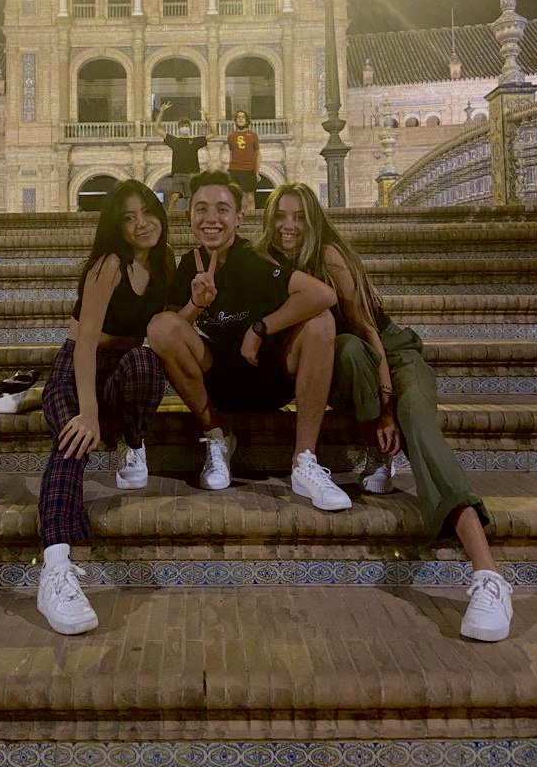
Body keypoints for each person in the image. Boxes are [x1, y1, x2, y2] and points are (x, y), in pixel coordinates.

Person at [256, 182, 513, 643]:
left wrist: (389, 410)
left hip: (393, 355)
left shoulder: (329, 256)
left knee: (419, 424)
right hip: (352, 359)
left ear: (313, 221)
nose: (289, 226)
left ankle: (488, 574)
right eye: (280, 216)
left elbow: (372, 333)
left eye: (298, 216)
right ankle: (376, 449)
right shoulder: (266, 264)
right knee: (345, 349)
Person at [147, 170, 351, 510]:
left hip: (270, 373)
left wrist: (260, 329)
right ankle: (216, 434)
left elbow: (322, 294)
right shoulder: (188, 264)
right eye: (201, 209)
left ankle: (305, 460)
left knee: (321, 323)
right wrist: (196, 305)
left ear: (239, 217)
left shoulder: (254, 258)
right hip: (218, 381)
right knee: (160, 325)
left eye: (222, 209)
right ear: (188, 216)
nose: (211, 219)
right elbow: (168, 335)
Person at [36, 180, 172, 635]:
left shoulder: (165, 261)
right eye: (127, 217)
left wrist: (198, 305)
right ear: (116, 226)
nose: (140, 223)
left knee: (147, 361)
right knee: (71, 441)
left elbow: (162, 327)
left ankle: (133, 441)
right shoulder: (109, 263)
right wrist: (88, 412)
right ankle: (55, 565)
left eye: (146, 211)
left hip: (124, 373)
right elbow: (86, 342)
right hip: (77, 368)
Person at [154, 101, 216, 211]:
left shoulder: (194, 141)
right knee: (174, 199)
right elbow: (157, 129)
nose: (185, 127)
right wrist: (162, 112)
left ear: (189, 128)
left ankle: (190, 224)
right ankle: (170, 221)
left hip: (192, 175)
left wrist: (208, 120)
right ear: (179, 128)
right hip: (178, 175)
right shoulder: (175, 141)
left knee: (190, 202)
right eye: (183, 126)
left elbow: (214, 134)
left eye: (187, 126)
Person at [226, 109, 260, 214]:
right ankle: (234, 222)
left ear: (247, 120)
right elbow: (231, 153)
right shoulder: (231, 136)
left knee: (250, 198)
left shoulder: (253, 135)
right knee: (234, 197)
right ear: (235, 120)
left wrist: (257, 172)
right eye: (238, 117)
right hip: (234, 169)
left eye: (243, 117)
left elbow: (258, 154)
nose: (240, 119)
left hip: (248, 169)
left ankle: (251, 221)